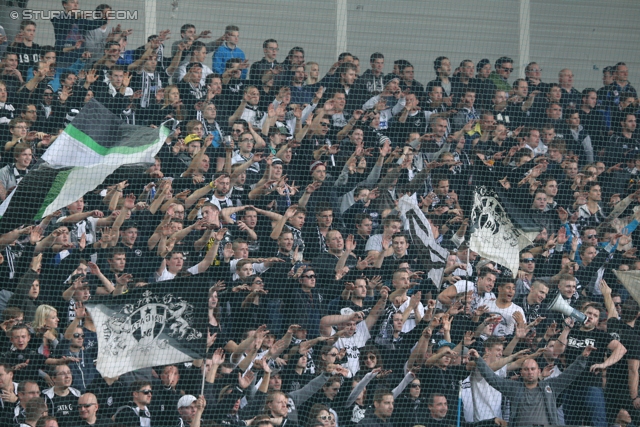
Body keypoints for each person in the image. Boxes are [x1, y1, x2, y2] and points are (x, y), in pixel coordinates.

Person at [469, 344, 596, 427]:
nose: (530, 372)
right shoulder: (514, 388)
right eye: (526, 369)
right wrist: (479, 359)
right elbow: (492, 379)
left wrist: (582, 358)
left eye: (533, 369)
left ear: (539, 371)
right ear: (521, 372)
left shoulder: (550, 387)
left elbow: (569, 375)